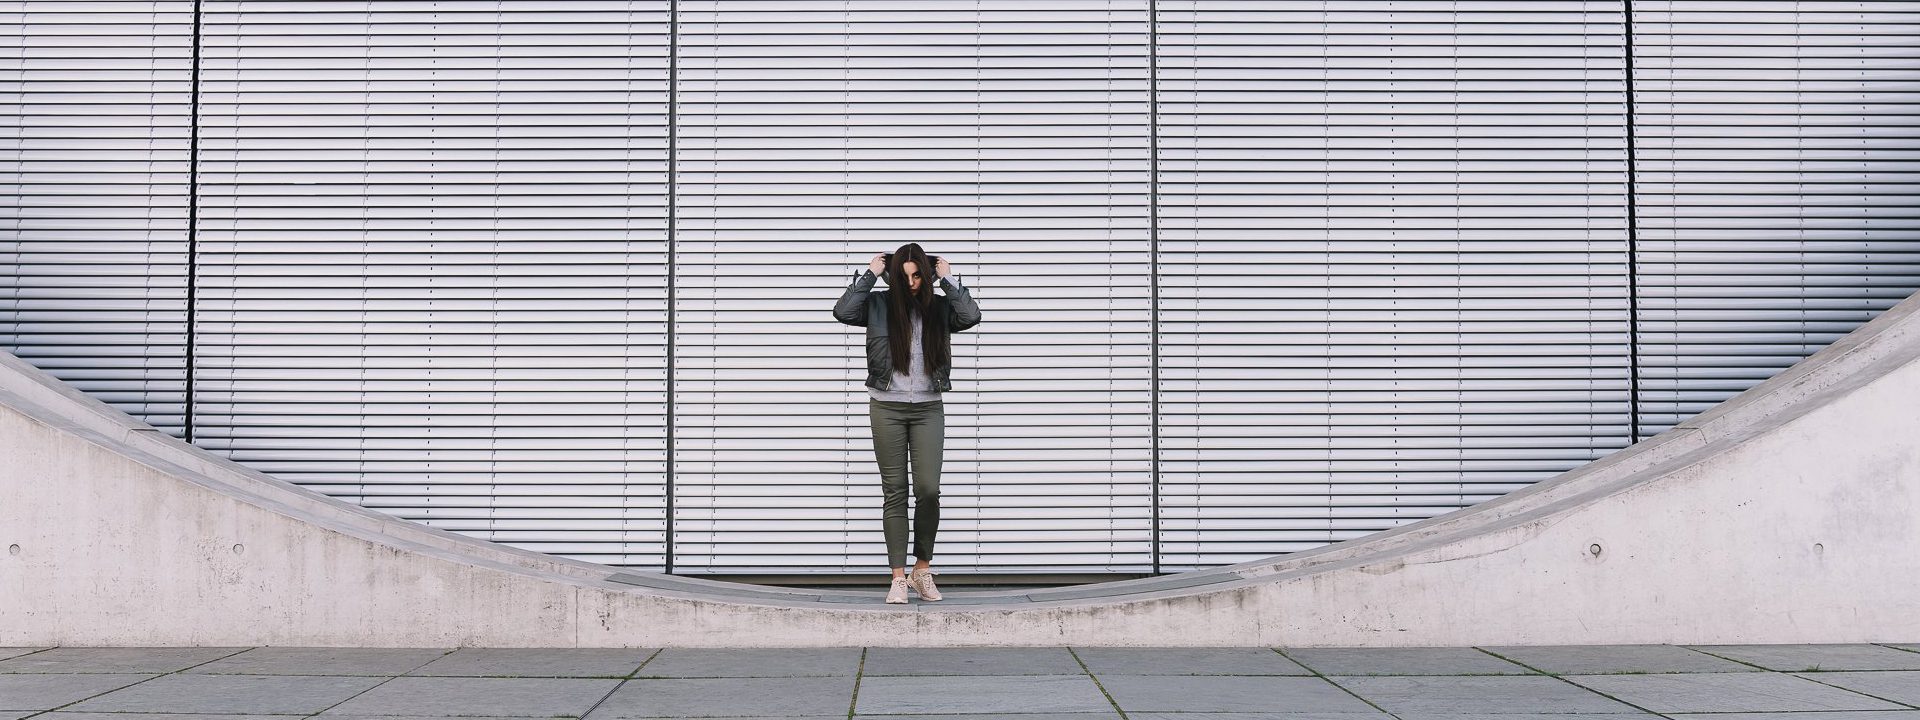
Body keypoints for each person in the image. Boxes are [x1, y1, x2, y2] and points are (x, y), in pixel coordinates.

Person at [831, 243, 982, 603]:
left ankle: (922, 570)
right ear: (893, 277)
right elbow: (843, 311)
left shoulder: (941, 307)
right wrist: (870, 274)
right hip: (887, 407)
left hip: (928, 407)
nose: (911, 283)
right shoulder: (877, 305)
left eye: (918, 276)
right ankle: (898, 577)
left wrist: (948, 279)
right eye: (905, 277)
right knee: (895, 491)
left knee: (928, 490)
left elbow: (971, 316)